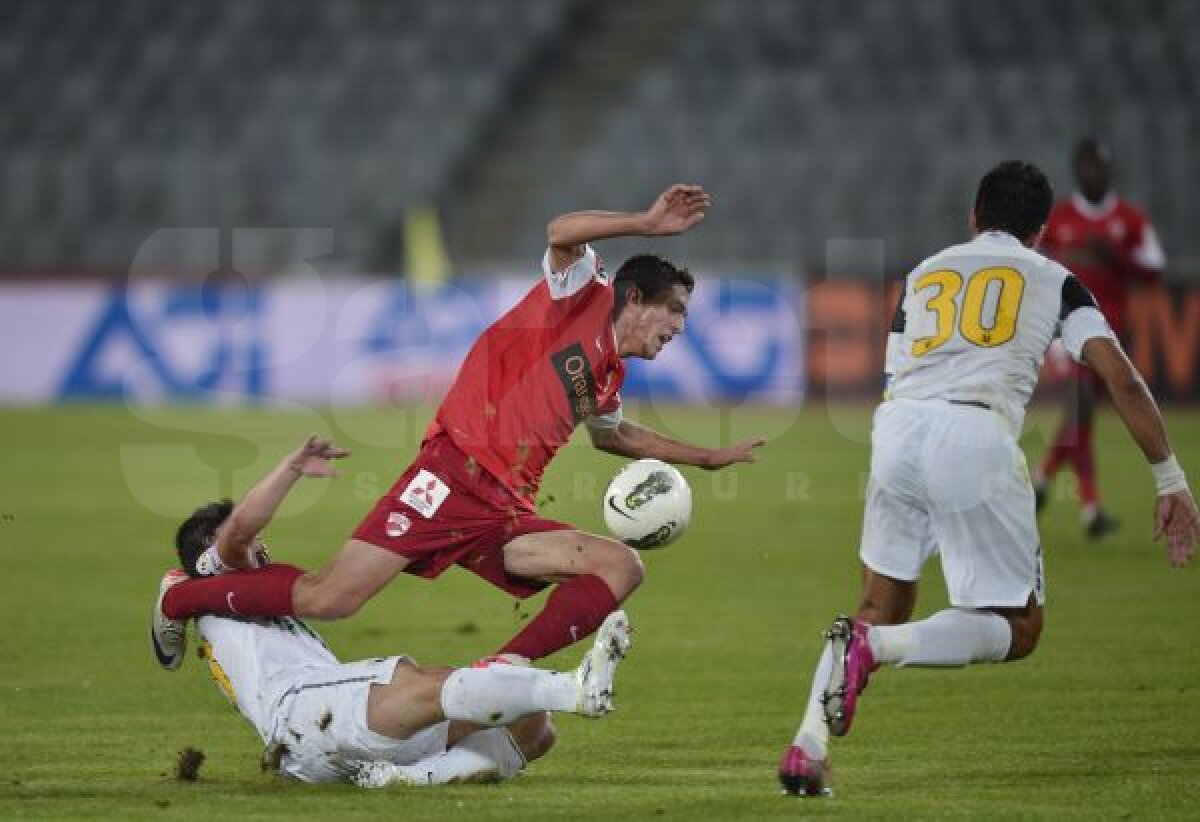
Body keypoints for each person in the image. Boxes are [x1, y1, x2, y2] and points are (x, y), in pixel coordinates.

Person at [152, 184, 765, 671]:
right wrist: (646, 222)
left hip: (504, 512)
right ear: (635, 298)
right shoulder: (582, 294)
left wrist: (705, 457)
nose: (680, 326)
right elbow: (560, 231)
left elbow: (613, 436)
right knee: (331, 598)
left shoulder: (608, 377)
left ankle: (497, 673)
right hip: (452, 477)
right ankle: (180, 596)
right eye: (674, 309)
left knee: (621, 567)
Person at [777, 161, 1198, 797]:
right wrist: (1170, 478)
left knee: (878, 603)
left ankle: (807, 744)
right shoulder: (1054, 279)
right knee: (1018, 626)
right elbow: (1121, 377)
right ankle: (873, 650)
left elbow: (897, 370)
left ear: (975, 214)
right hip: (973, 434)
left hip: (897, 429)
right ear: (1041, 230)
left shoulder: (924, 272)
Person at [156, 437, 632, 788]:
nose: (259, 545)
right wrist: (290, 468)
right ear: (207, 557)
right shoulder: (216, 579)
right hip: (302, 712)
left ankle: (407, 779)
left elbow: (177, 621)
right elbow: (239, 531)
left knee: (532, 727)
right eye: (240, 541)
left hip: (320, 738)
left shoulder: (226, 597)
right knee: (426, 682)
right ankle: (574, 688)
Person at [1033, 138, 1166, 539]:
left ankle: (1041, 480)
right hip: (1063, 331)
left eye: (1099, 166)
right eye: (1087, 166)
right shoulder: (1058, 218)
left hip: (1108, 333)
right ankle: (1091, 510)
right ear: (1077, 170)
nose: (1093, 173)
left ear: (1109, 170)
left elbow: (1154, 270)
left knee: (1081, 415)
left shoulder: (1130, 219)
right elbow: (1032, 263)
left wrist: (1113, 258)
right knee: (1081, 406)